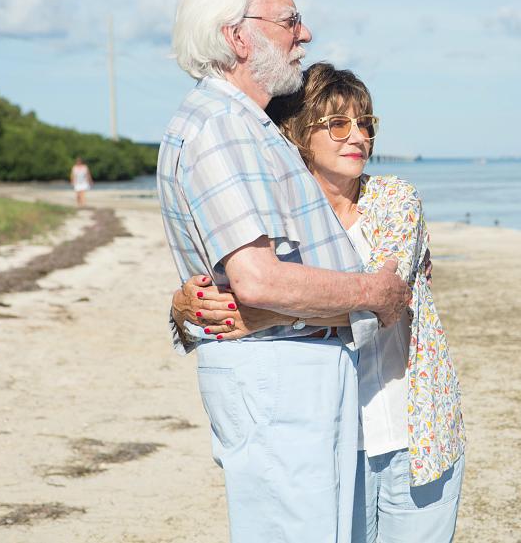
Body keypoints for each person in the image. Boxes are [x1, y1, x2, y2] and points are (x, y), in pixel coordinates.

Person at [157, 0, 410, 543]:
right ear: (236, 36)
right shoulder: (220, 124)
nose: (306, 34)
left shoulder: (248, 122)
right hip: (281, 376)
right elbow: (258, 281)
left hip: (296, 371)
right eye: (290, 20)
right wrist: (373, 292)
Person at [172, 63, 466, 543]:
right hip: (328, 439)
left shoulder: (394, 200)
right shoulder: (281, 220)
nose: (358, 137)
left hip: (417, 435)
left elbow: (383, 298)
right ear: (299, 132)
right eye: (338, 123)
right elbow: (225, 296)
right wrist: (184, 305)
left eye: (365, 123)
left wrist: (259, 311)